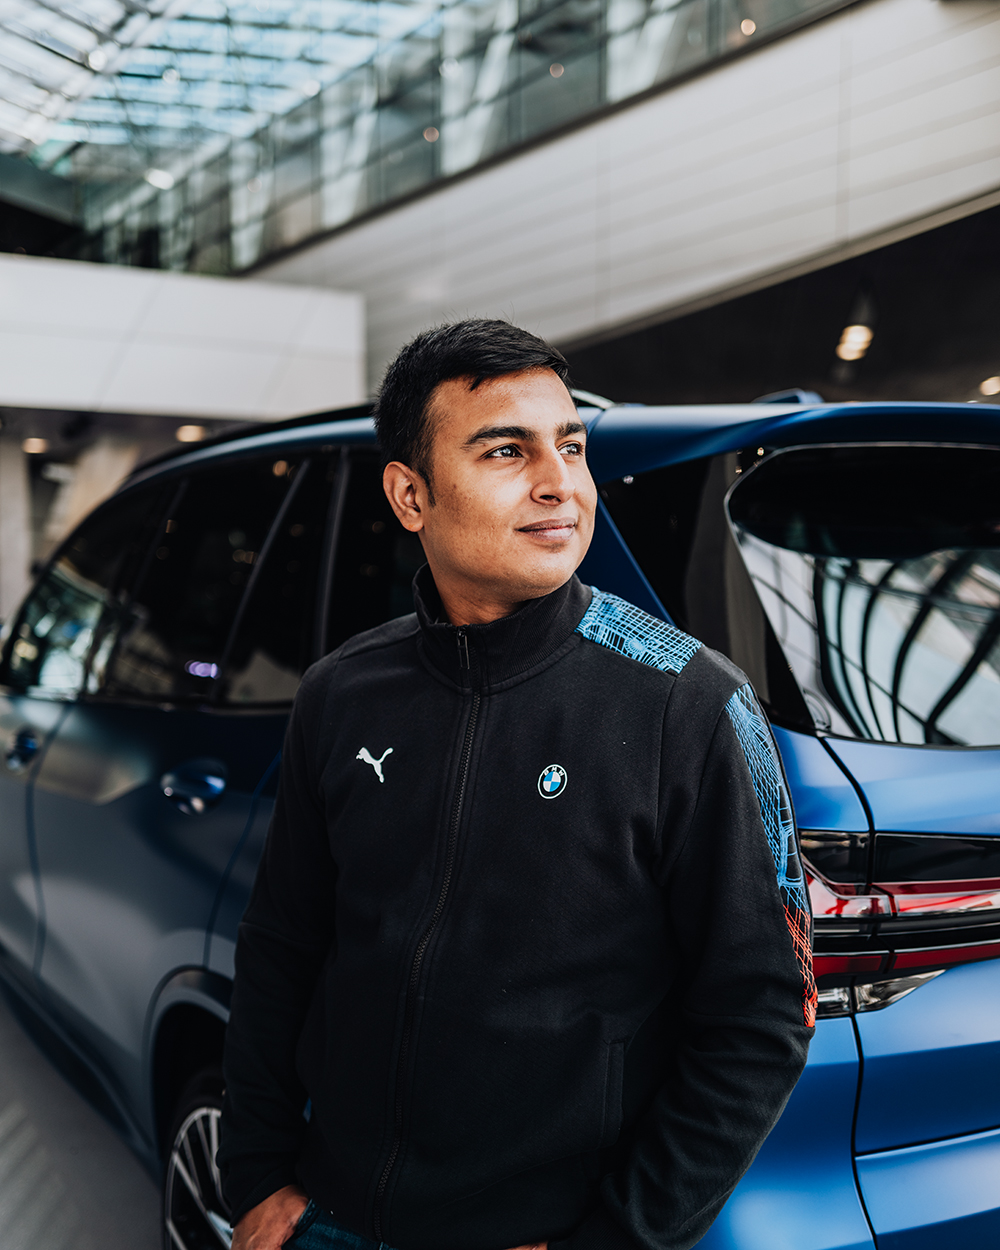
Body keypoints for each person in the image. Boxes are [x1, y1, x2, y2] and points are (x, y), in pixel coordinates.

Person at [219, 319, 816, 1250]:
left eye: (569, 447)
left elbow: (760, 1016)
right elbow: (281, 945)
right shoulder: (342, 690)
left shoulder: (690, 703)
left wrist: (613, 1240)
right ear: (409, 495)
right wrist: (256, 1175)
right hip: (328, 1215)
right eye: (507, 450)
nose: (559, 484)